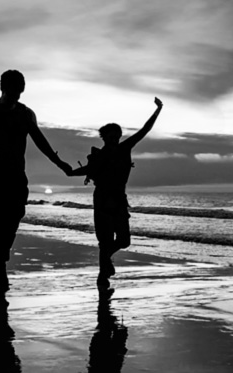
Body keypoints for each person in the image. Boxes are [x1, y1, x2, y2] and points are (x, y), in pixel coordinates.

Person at [0, 70, 72, 297]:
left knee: (16, 214)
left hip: (16, 176)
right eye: (12, 88)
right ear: (2, 87)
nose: (16, 93)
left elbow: (40, 141)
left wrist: (60, 164)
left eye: (19, 89)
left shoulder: (26, 114)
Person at [68, 97, 163, 288]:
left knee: (124, 240)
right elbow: (85, 170)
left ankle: (105, 262)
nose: (113, 140)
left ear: (119, 136)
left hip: (119, 199)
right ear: (104, 138)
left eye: (116, 136)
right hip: (102, 200)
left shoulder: (124, 148)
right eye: (110, 137)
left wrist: (158, 110)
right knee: (105, 241)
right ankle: (102, 276)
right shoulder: (99, 156)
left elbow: (145, 130)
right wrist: (68, 170)